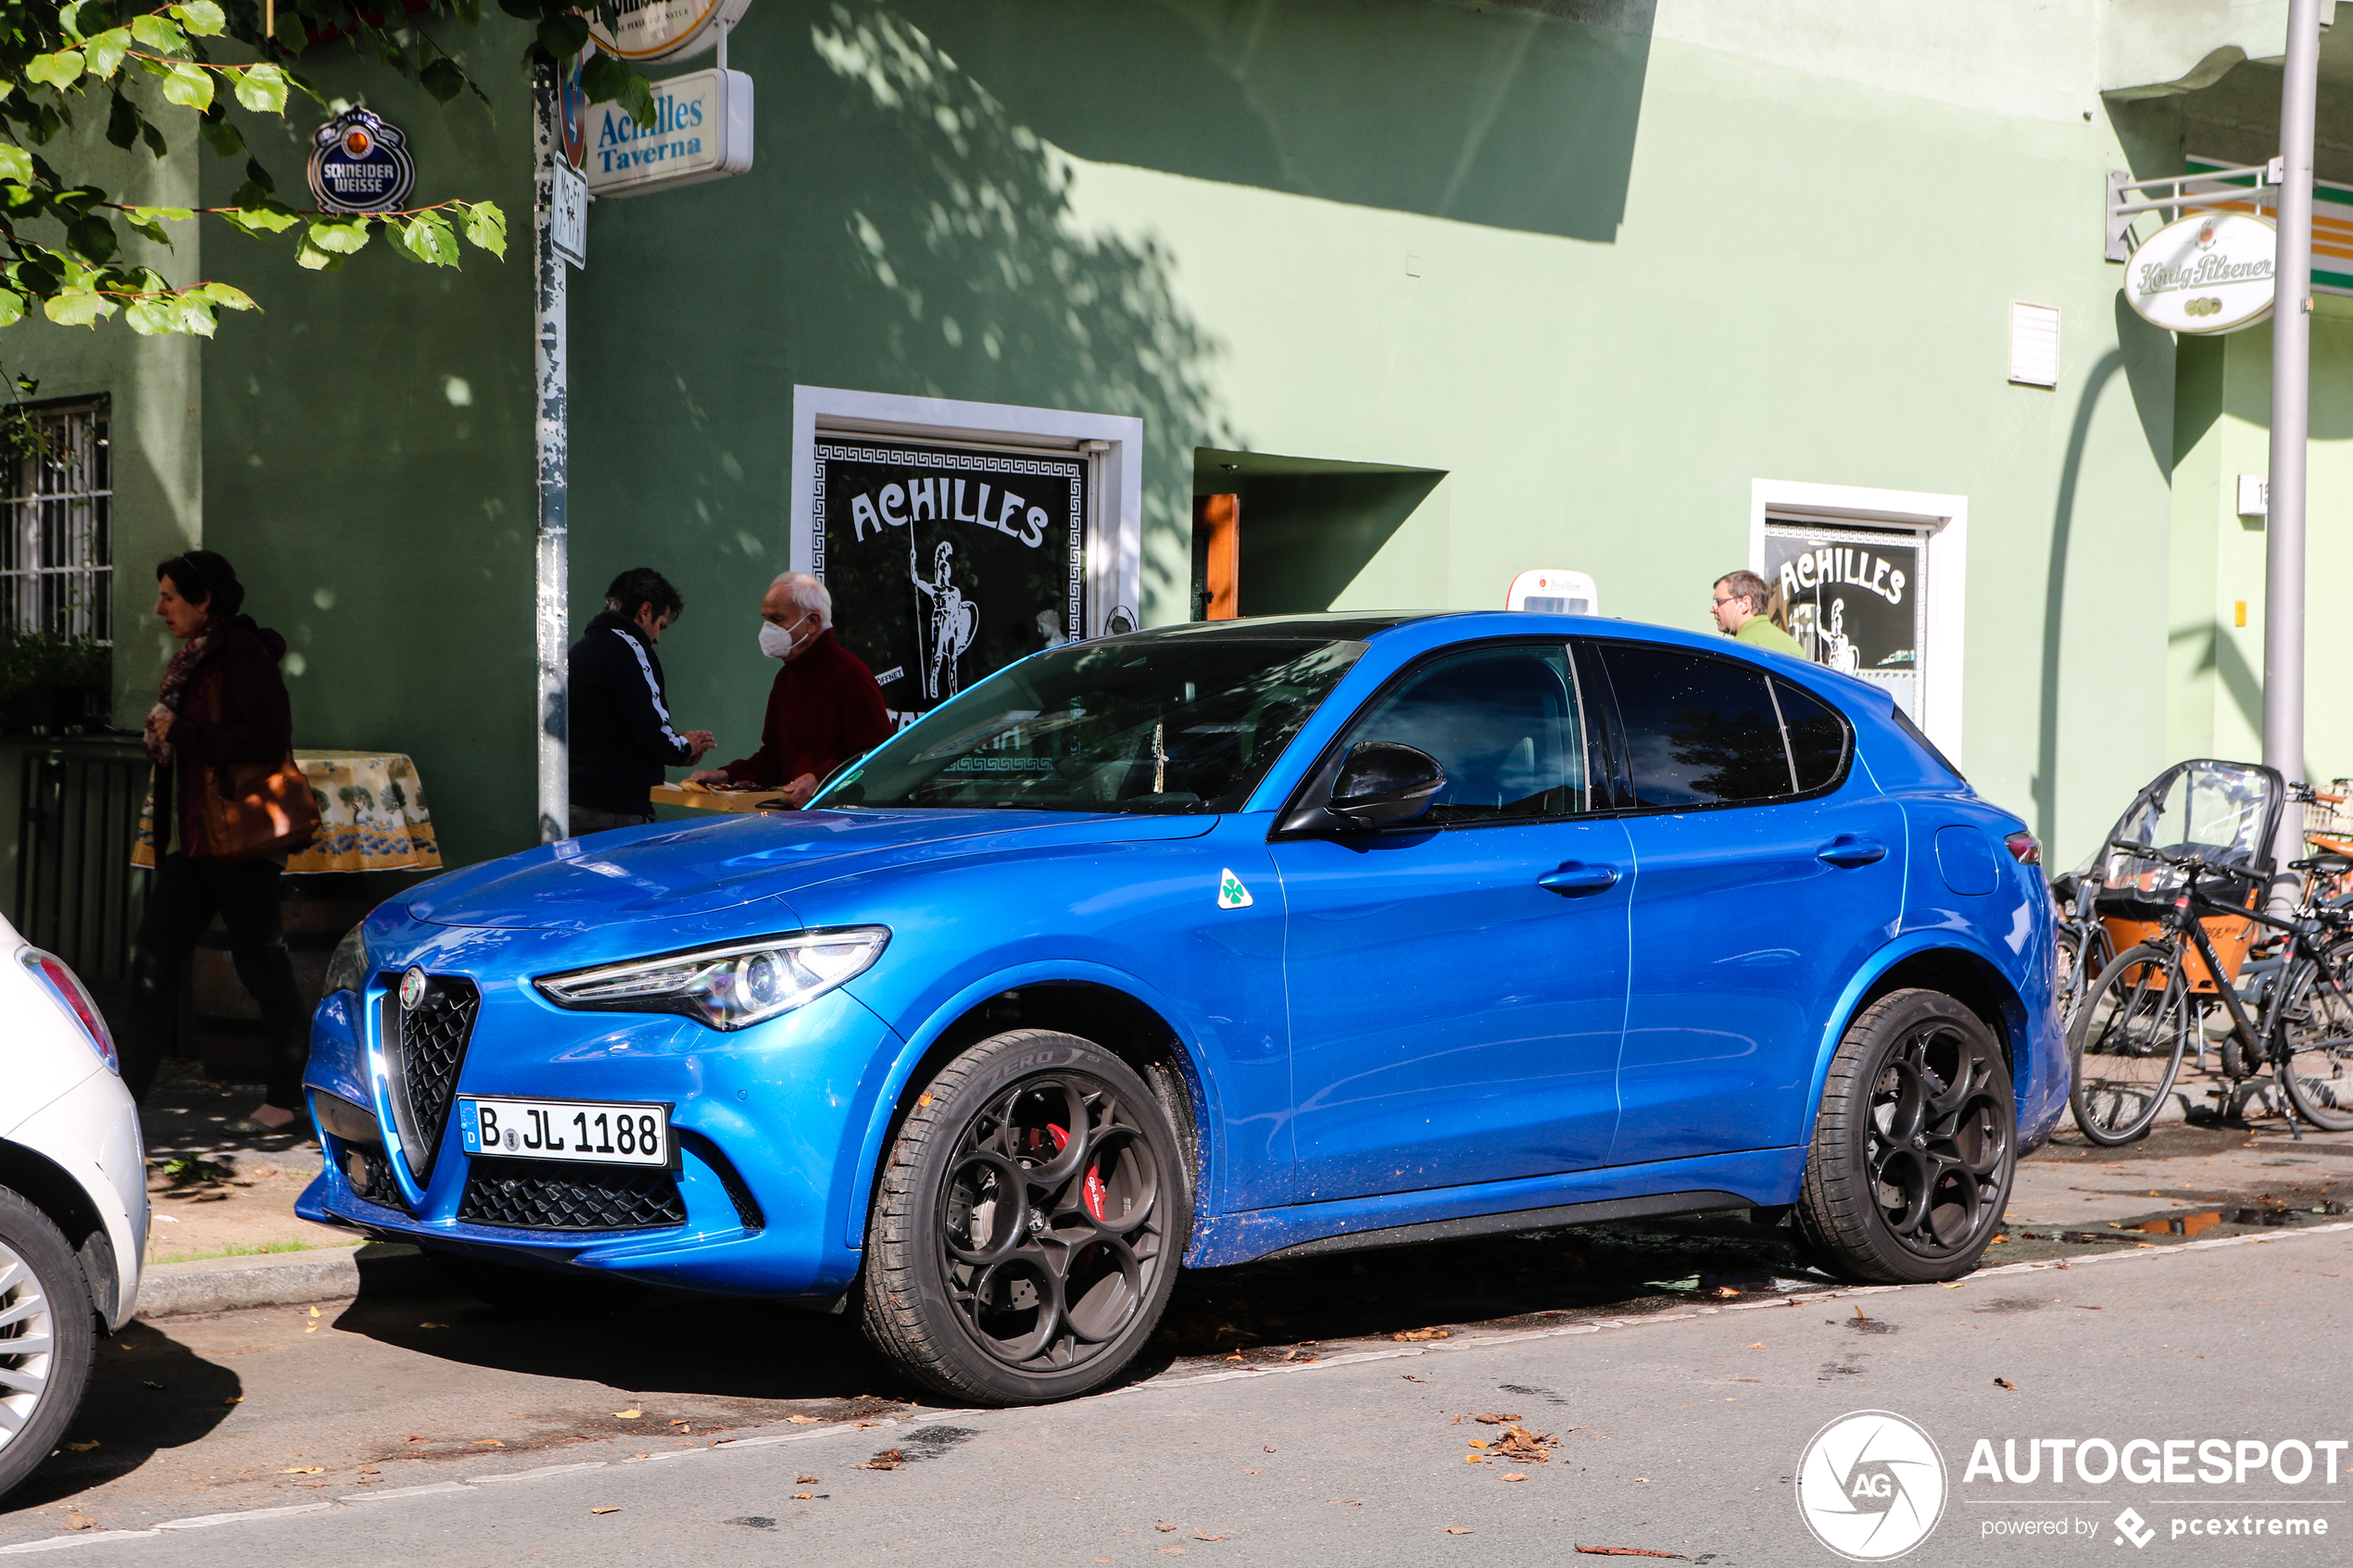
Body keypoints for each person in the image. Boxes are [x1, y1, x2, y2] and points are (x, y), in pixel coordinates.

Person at [122, 550, 311, 1130]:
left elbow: (267, 735)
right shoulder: (195, 659)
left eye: (170, 597)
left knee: (261, 964)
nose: (159, 609)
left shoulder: (240, 653)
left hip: (235, 838)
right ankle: (124, 1102)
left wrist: (183, 731)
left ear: (204, 602)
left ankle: (289, 1093)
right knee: (152, 963)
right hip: (194, 841)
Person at [688, 572, 891, 808]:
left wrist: (820, 778)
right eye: (765, 619)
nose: (767, 629)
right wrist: (726, 776)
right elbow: (774, 759)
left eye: (777, 619)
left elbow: (877, 757)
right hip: (793, 821)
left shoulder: (851, 675)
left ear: (812, 622)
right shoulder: (787, 677)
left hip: (841, 826)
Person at [567, 567, 716, 835]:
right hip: (617, 812)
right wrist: (685, 746)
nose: (657, 638)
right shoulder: (632, 650)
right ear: (645, 611)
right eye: (660, 625)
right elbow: (652, 731)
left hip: (573, 805)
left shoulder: (579, 652)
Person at [1711, 569, 1805, 657]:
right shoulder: (1793, 645)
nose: (1712, 609)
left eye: (1719, 602)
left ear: (1745, 604)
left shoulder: (1742, 645)